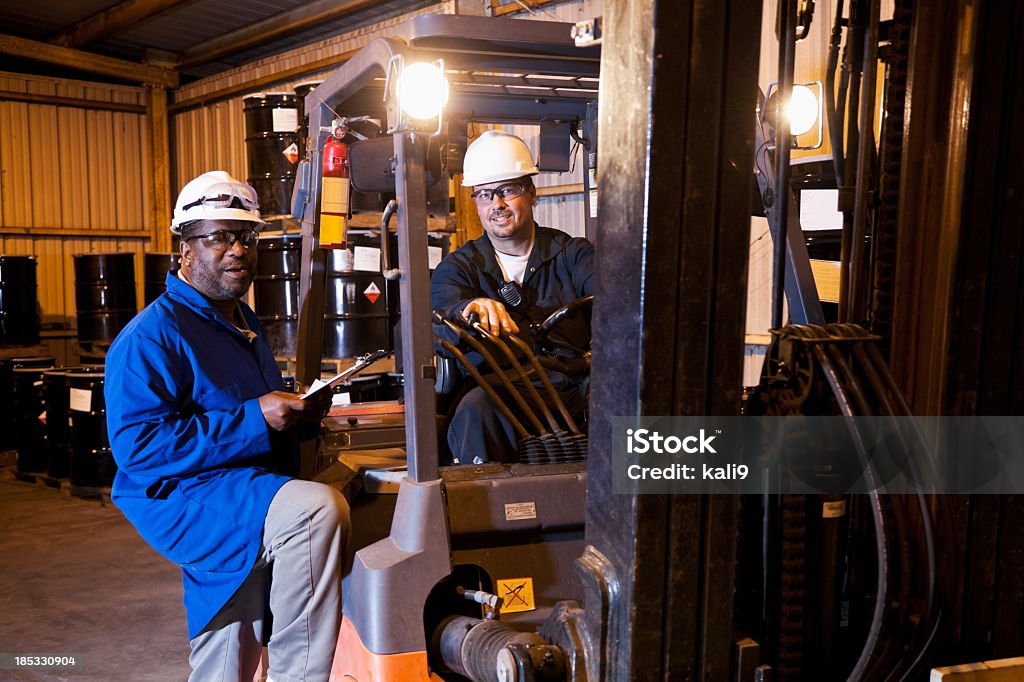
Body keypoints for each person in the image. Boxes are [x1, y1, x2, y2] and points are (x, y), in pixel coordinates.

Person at [105, 170, 348, 682]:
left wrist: (300, 414)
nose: (236, 250)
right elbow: (139, 450)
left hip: (240, 482)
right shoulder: (151, 337)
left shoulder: (240, 321)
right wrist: (255, 417)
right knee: (312, 511)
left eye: (246, 237)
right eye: (218, 236)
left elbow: (251, 413)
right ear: (185, 249)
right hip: (185, 492)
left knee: (232, 644)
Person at [431, 130, 595, 464]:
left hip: (577, 384)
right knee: (475, 409)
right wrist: (469, 309)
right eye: (485, 195)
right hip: (504, 390)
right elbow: (436, 320)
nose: (497, 205)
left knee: (632, 397)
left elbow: (617, 299)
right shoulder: (460, 269)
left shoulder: (574, 255)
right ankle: (486, 508)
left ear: (532, 193)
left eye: (508, 190)